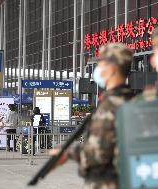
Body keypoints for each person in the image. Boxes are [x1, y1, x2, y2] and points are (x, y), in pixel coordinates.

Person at [51, 43, 134, 189]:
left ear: (113, 68)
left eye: (101, 63)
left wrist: (68, 153)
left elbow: (98, 152)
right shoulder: (130, 101)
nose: (98, 69)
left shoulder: (111, 106)